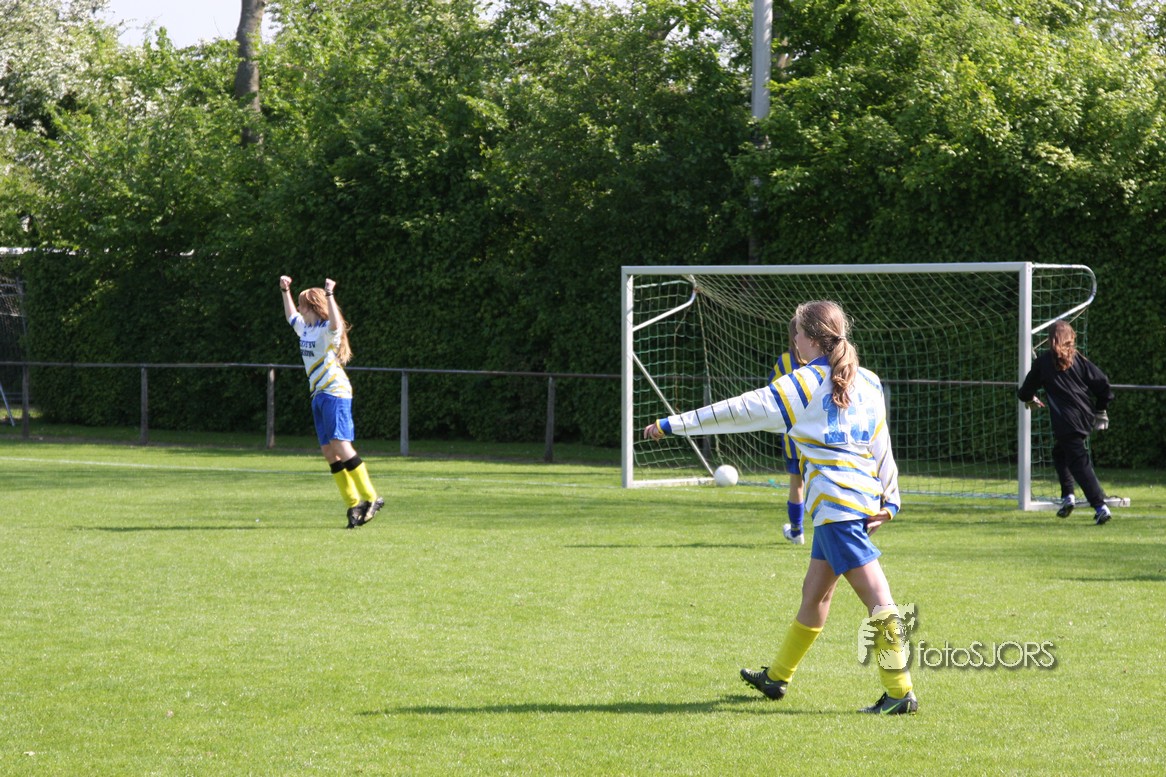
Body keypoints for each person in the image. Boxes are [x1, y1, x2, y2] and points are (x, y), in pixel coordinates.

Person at [644, 300, 915, 714]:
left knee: (879, 597)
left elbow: (736, 411)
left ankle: (899, 692)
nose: (795, 341)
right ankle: (777, 677)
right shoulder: (869, 381)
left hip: (838, 509)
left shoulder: (802, 383)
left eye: (798, 334)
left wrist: (671, 424)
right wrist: (891, 499)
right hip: (854, 503)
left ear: (811, 338)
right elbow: (882, 443)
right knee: (815, 594)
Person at [280, 275, 384, 529]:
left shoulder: (327, 330)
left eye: (302, 304)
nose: (299, 308)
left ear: (312, 306)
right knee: (329, 451)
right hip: (318, 394)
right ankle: (353, 503)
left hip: (335, 392)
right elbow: (290, 316)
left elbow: (337, 324)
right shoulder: (305, 327)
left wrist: (329, 295)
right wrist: (285, 291)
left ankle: (371, 498)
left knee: (340, 443)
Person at [1017, 319, 1114, 525]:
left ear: (1051, 339)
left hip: (1066, 421)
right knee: (1060, 454)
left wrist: (1030, 399)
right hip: (1085, 417)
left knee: (1079, 463)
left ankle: (1100, 507)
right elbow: (1103, 383)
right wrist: (1101, 408)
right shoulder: (1078, 359)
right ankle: (1068, 496)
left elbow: (1024, 392)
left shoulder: (1043, 362)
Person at [767, 317, 806, 545]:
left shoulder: (785, 361)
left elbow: (772, 392)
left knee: (796, 483)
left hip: (795, 436)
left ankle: (797, 531)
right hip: (824, 436)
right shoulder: (827, 361)